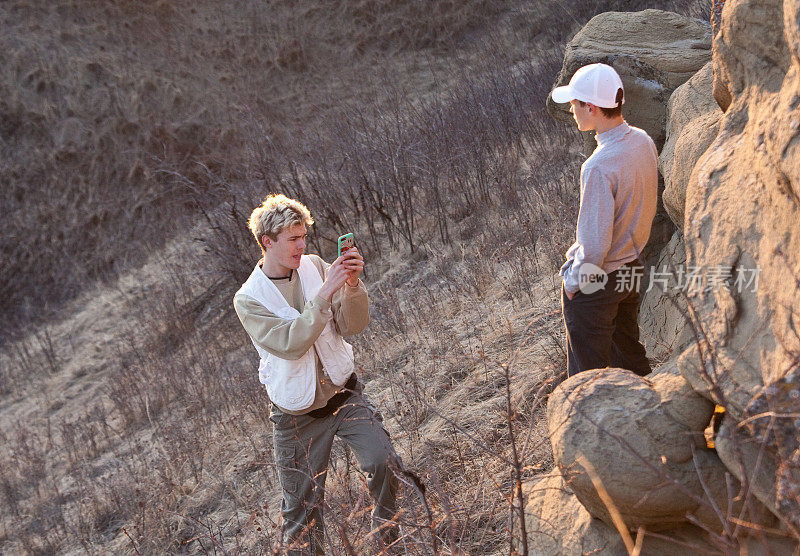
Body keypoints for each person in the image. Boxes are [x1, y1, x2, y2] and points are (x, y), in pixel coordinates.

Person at [233, 194, 399, 554]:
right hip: (297, 418)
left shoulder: (313, 265)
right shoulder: (249, 299)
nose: (302, 245)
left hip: (345, 394)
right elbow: (291, 343)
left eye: (303, 236)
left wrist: (352, 285)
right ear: (267, 241)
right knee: (301, 516)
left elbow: (353, 325)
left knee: (385, 462)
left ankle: (390, 546)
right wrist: (326, 291)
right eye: (292, 239)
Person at [550, 63, 657, 377]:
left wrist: (573, 283)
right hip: (632, 269)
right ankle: (654, 416)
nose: (571, 109)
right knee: (631, 361)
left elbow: (595, 247)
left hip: (600, 279)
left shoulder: (598, 166)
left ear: (592, 108)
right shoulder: (642, 141)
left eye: (576, 103)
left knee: (587, 378)